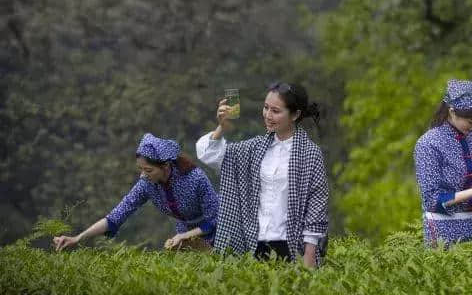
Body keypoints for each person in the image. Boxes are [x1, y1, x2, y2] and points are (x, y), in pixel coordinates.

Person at [196, 82, 328, 267]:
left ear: (295, 115)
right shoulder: (254, 148)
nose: (267, 115)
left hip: (290, 246)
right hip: (254, 244)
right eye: (266, 108)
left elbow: (316, 206)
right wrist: (221, 127)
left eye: (276, 111)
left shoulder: (310, 153)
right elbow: (209, 155)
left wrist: (309, 256)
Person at [53, 133, 219, 251]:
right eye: (140, 169)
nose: (143, 175)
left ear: (165, 166)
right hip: (185, 235)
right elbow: (116, 216)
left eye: (148, 170)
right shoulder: (147, 183)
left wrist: (185, 236)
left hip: (220, 231)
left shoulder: (194, 178)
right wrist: (77, 238)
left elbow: (214, 219)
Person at [414, 79, 472, 247]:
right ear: (452, 112)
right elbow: (433, 200)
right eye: (470, 122)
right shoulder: (428, 144)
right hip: (442, 230)